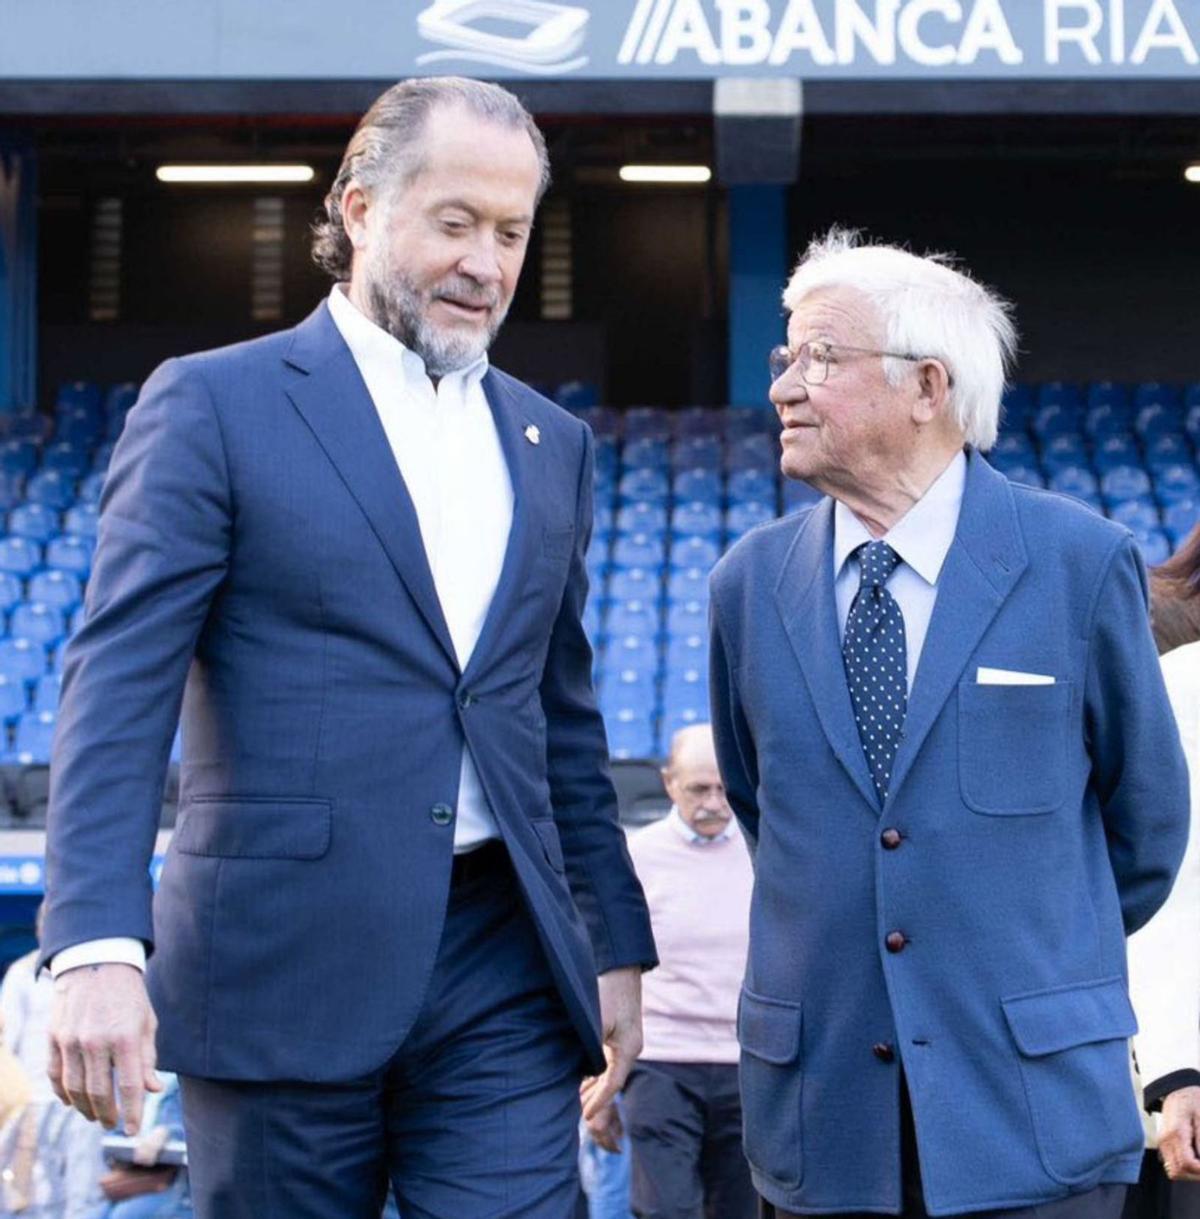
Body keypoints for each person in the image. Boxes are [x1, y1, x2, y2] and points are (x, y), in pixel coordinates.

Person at [40, 76, 656, 1219]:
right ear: (361, 207)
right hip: (282, 962)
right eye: (456, 221)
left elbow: (556, 716)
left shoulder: (550, 441)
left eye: (512, 232)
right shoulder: (213, 405)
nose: (487, 261)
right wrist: (92, 943)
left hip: (503, 957)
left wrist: (615, 940)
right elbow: (116, 685)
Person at [707, 229, 1190, 1219]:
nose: (786, 388)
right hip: (823, 1123)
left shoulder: (1081, 562)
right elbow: (773, 815)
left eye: (821, 358)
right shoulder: (744, 585)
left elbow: (1145, 832)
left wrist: (1017, 950)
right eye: (783, 358)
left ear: (929, 387)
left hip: (1033, 1120)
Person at [617, 723, 755, 1219]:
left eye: (723, 787)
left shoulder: (765, 853)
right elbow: (610, 964)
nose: (714, 801)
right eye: (699, 788)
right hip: (661, 1065)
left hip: (748, 1066)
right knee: (667, 1210)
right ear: (669, 782)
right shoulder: (636, 858)